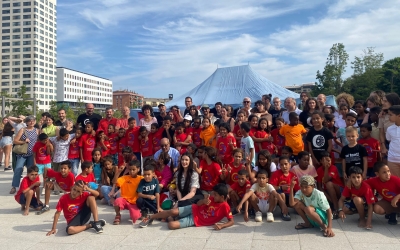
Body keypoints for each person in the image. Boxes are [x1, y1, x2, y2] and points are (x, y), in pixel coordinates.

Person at [139, 183, 234, 230]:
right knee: (173, 211)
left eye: (216, 195)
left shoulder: (225, 207)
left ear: (222, 197)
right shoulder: (212, 198)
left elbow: (231, 221)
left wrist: (222, 226)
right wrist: (203, 201)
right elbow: (198, 204)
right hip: (193, 209)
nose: (213, 196)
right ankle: (150, 217)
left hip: (196, 220)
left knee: (171, 225)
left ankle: (170, 218)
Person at [10, 116, 39, 195]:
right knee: (18, 169)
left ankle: (29, 186)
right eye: (29, 121)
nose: (31, 122)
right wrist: (23, 141)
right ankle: (14, 186)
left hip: (31, 154)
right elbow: (15, 141)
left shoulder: (37, 130)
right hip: (22, 154)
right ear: (26, 122)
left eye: (33, 121)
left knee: (30, 172)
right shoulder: (22, 130)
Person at [111, 160, 144, 225]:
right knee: (117, 201)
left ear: (138, 169)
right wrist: (118, 172)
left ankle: (139, 213)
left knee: (135, 217)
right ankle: (118, 215)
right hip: (124, 200)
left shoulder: (141, 179)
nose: (131, 171)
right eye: (130, 169)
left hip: (134, 202)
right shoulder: (124, 178)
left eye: (133, 169)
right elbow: (114, 182)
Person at [316, 151, 343, 219]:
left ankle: (336, 208)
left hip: (339, 190)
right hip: (328, 191)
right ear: (320, 161)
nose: (327, 162)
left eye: (328, 160)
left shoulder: (333, 167)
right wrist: (329, 197)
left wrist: (326, 168)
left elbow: (326, 180)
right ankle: (333, 204)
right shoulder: (319, 170)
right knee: (321, 192)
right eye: (324, 161)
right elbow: (319, 187)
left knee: (329, 184)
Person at [386, 105, 400, 177]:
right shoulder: (389, 129)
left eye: (391, 115)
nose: (389, 117)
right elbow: (389, 140)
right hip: (393, 160)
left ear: (399, 116)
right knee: (396, 181)